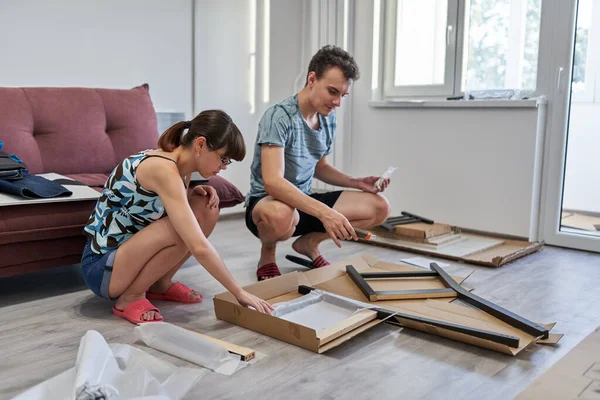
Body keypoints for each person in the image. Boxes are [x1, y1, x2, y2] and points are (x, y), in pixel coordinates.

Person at [81, 110, 274, 324]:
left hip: (124, 257)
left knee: (206, 207)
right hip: (101, 268)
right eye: (223, 158)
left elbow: (148, 204)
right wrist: (239, 292)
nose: (224, 166)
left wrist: (190, 193)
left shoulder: (182, 167)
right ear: (200, 144)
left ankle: (160, 283)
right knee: (182, 229)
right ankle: (130, 297)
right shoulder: (163, 169)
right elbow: (198, 246)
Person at [245, 45, 392, 281]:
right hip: (269, 204)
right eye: (332, 91)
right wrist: (325, 214)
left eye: (342, 95)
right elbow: (273, 182)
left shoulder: (327, 118)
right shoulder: (278, 117)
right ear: (312, 79)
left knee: (380, 206)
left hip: (304, 202)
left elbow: (319, 167)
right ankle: (267, 254)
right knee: (281, 214)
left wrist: (357, 182)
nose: (337, 102)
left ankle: (309, 244)